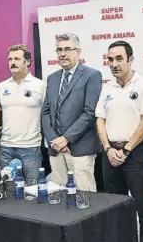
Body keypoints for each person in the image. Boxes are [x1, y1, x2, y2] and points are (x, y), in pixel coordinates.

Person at [96, 40, 143, 242]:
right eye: (110, 59)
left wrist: (127, 150)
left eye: (119, 59)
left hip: (136, 154)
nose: (114, 64)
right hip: (110, 154)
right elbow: (100, 120)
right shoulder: (107, 88)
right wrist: (107, 148)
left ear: (131, 60)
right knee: (115, 209)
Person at [40, 33, 102, 191]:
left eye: (67, 49)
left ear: (78, 52)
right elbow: (45, 112)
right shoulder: (52, 78)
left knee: (83, 196)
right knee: (59, 195)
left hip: (80, 148)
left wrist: (66, 138)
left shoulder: (92, 76)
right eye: (59, 50)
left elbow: (90, 113)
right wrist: (55, 140)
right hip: (56, 149)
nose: (62, 54)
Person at [0, 44, 46, 179]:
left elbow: (47, 115)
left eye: (17, 59)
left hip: (30, 147)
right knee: (8, 189)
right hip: (6, 147)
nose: (12, 63)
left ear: (28, 61)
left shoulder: (40, 86)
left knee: (32, 190)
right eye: (10, 59)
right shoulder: (2, 86)